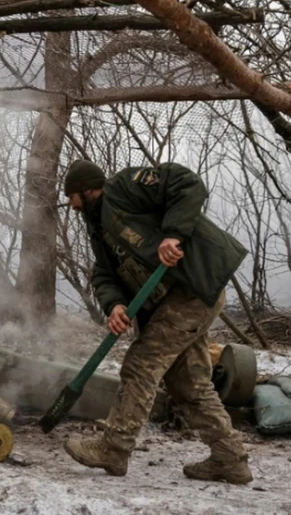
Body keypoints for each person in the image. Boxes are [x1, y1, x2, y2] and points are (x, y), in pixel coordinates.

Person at [61, 159, 253, 484]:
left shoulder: (124, 186)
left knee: (141, 362)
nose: (71, 204)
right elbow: (105, 274)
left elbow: (186, 182)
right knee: (187, 382)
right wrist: (116, 305)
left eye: (72, 196)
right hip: (171, 300)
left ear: (86, 188)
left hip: (191, 285)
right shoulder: (97, 228)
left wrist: (172, 234)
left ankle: (114, 447)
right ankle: (229, 459)